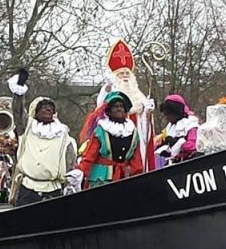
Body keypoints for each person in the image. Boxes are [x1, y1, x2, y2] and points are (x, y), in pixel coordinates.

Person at [92, 39, 156, 171]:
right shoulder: (111, 91)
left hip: (137, 134)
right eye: (121, 74)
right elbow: (101, 110)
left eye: (127, 73)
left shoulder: (138, 94)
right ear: (115, 76)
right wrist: (106, 91)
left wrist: (147, 112)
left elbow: (145, 120)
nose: (125, 76)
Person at [14, 97, 76, 206]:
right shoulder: (27, 128)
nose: (48, 109)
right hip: (28, 189)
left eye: (51, 108)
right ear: (35, 112)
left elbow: (69, 159)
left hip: (53, 190)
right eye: (43, 107)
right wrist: (19, 90)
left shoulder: (62, 132)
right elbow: (17, 111)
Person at [79, 91, 143, 188]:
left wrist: (138, 177)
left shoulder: (132, 131)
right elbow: (89, 156)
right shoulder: (101, 130)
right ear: (108, 111)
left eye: (121, 106)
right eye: (115, 106)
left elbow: (136, 160)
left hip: (123, 177)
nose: (119, 109)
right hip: (101, 179)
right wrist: (80, 173)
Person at [154, 94, 200, 165]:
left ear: (176, 113)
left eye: (168, 115)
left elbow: (194, 145)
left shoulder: (191, 125)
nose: (166, 118)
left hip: (189, 163)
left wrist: (178, 143)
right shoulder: (170, 126)